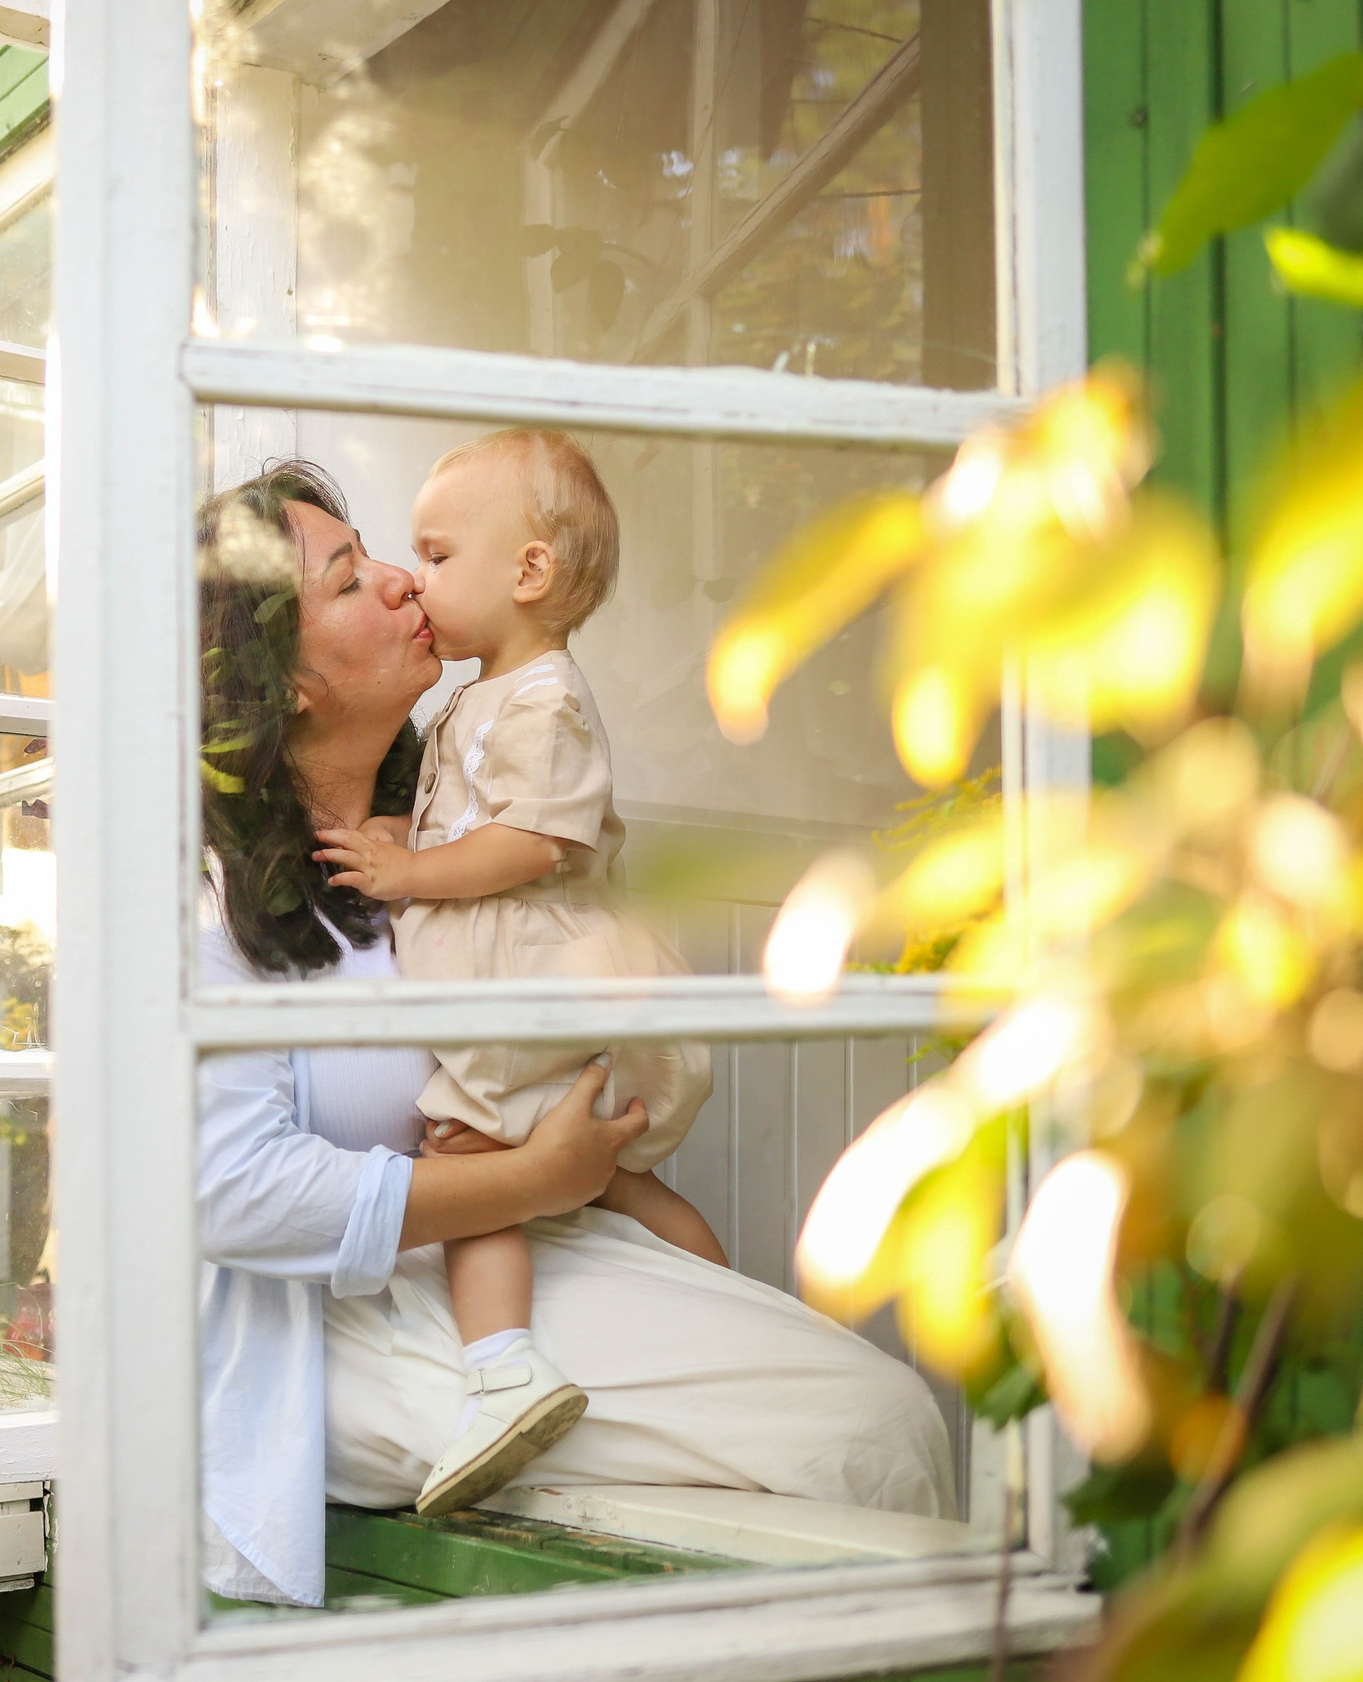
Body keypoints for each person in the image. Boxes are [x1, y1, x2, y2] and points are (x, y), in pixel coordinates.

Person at [193, 459, 956, 1612]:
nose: (400, 579)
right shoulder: (212, 907)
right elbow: (232, 1195)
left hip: (520, 1246)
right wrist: (532, 1177)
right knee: (863, 1428)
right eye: (348, 579)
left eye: (387, 555)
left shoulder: (455, 831)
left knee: (870, 1417)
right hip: (342, 1325)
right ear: (283, 682)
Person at [312, 429, 717, 1518]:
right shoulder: (487, 694)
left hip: (521, 978)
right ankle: (719, 1289)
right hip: (511, 973)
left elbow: (534, 843)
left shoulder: (545, 699)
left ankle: (502, 1369)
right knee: (613, 1173)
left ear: (529, 571)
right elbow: (472, 816)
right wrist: (403, 835)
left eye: (436, 556)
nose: (415, 579)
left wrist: (409, 871)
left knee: (470, 1152)